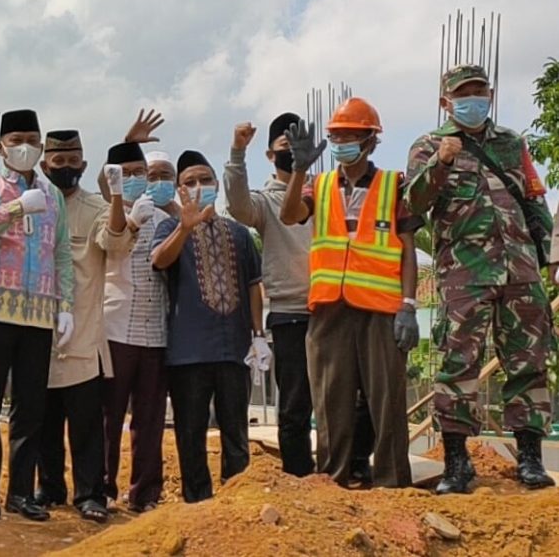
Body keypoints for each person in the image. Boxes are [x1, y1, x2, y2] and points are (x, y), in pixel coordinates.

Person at [407, 64, 556, 493]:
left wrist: (551, 256)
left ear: (489, 95)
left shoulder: (511, 143)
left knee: (529, 361)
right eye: (463, 93)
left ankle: (530, 458)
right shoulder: (427, 145)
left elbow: (534, 200)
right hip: (464, 273)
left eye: (479, 91)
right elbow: (413, 203)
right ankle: (457, 463)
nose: (472, 99)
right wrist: (440, 162)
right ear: (446, 102)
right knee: (459, 364)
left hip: (519, 269)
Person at [226, 115, 377, 482]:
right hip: (291, 311)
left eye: (298, 148)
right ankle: (298, 476)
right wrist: (237, 153)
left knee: (354, 394)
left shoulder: (326, 191)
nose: (292, 154)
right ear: (270, 155)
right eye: (284, 148)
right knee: (296, 402)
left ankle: (352, 463)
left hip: (336, 306)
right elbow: (239, 207)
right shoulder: (264, 202)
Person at [280, 97, 419, 489]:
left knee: (387, 400)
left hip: (381, 309)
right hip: (329, 308)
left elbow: (408, 249)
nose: (342, 143)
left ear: (371, 140)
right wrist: (298, 170)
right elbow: (289, 215)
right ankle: (334, 482)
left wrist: (409, 305)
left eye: (351, 136)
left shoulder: (394, 185)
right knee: (330, 400)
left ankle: (392, 482)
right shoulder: (319, 184)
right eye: (337, 136)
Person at [0, 109, 74, 522]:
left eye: (31, 139)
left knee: (30, 408)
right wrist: (15, 208)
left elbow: (62, 253)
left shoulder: (53, 196)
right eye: (15, 140)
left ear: (41, 146)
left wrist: (65, 306)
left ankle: (21, 493)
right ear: (1, 147)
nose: (24, 147)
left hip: (39, 313)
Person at [150, 151, 262, 503]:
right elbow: (159, 260)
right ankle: (196, 504)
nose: (199, 187)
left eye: (205, 180)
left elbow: (253, 286)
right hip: (188, 351)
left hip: (235, 349)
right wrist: (185, 227)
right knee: (190, 433)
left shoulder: (240, 234)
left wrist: (259, 336)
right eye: (190, 182)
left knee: (236, 431)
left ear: (216, 183)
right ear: (179, 190)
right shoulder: (169, 228)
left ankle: (236, 502)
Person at [34, 132, 129, 524]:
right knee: (44, 421)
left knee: (87, 425)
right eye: (58, 162)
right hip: (39, 330)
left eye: (74, 160)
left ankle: (90, 494)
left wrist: (117, 196)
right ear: (45, 165)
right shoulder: (33, 204)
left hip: (84, 335)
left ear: (84, 164)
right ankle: (49, 488)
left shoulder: (97, 208)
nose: (67, 168)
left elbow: (116, 243)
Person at [101, 143, 170, 512]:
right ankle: (102, 489)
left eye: (138, 172)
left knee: (150, 419)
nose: (134, 179)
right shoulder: (106, 212)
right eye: (124, 173)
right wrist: (131, 221)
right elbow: (110, 247)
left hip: (156, 330)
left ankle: (145, 493)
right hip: (116, 326)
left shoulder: (163, 218)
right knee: (109, 416)